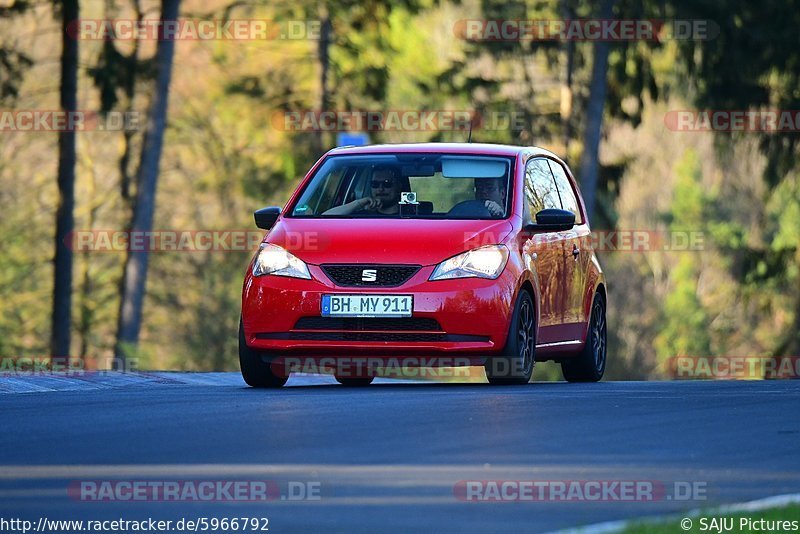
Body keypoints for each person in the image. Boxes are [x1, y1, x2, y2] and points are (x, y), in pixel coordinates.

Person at [324, 166, 404, 215]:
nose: (380, 189)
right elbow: (323, 220)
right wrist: (357, 203)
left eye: (387, 184)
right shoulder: (362, 216)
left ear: (399, 187)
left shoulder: (412, 215)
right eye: (375, 184)